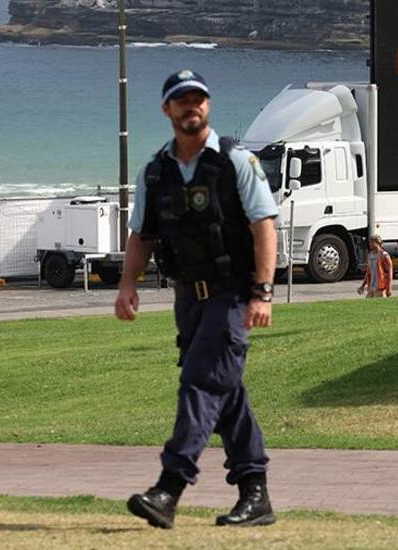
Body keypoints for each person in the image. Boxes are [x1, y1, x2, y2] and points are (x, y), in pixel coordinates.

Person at [115, 70, 279, 529]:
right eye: (182, 100)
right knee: (225, 393)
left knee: (201, 383)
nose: (192, 106)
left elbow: (264, 226)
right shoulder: (155, 171)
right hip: (188, 298)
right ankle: (255, 493)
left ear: (208, 106)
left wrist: (262, 293)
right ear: (167, 109)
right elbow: (141, 235)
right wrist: (128, 284)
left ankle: (169, 489)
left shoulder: (236, 162)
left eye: (199, 99)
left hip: (231, 295)